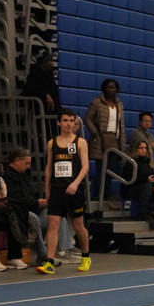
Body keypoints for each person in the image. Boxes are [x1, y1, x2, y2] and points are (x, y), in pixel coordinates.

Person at [37, 109, 92, 274]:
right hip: (57, 190)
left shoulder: (80, 142)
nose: (68, 124)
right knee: (53, 224)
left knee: (78, 225)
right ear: (59, 122)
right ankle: (49, 262)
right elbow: (49, 168)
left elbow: (85, 166)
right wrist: (47, 189)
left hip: (74, 191)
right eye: (65, 120)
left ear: (75, 123)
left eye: (71, 121)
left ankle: (86, 256)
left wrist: (75, 183)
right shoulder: (51, 144)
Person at [3, 147, 47, 266]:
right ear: (17, 161)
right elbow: (15, 199)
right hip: (18, 210)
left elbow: (29, 195)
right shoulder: (6, 176)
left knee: (54, 214)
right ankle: (43, 255)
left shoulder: (25, 174)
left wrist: (38, 203)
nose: (28, 166)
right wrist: (36, 203)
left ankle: (65, 249)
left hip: (31, 206)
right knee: (34, 218)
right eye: (26, 163)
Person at [84, 78, 125, 205]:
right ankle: (96, 196)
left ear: (116, 90)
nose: (110, 89)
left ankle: (106, 196)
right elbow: (87, 119)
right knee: (101, 169)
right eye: (108, 87)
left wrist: (122, 144)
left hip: (114, 139)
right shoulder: (97, 102)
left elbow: (121, 125)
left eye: (113, 87)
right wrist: (95, 132)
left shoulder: (119, 104)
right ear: (103, 88)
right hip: (101, 139)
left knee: (110, 171)